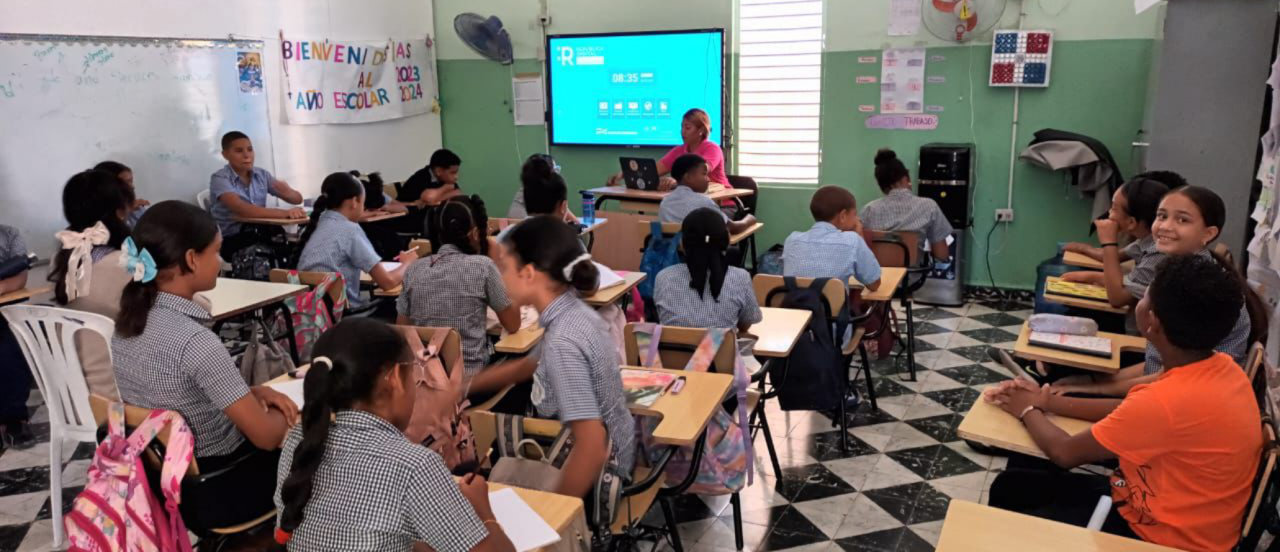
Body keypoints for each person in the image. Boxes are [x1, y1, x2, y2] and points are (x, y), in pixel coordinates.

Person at [984, 254, 1263, 551]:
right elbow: (1128, 411)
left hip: (1160, 538)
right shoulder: (1221, 367)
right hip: (1183, 519)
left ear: (1151, 320)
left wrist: (1027, 409)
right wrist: (1047, 402)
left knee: (1012, 494)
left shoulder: (1165, 401)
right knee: (1015, 484)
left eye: (1145, 296)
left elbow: (1065, 453)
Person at [112, 201, 299, 527]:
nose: (222, 262)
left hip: (167, 480)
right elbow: (267, 438)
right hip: (227, 486)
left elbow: (184, 395)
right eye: (216, 252)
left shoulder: (127, 325)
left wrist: (251, 391)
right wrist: (308, 412)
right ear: (191, 259)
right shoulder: (194, 341)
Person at [273, 318, 515, 552]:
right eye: (414, 372)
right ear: (395, 378)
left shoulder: (297, 442)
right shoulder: (414, 465)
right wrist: (484, 512)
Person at [470, 217, 634, 498]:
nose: (500, 276)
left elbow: (592, 446)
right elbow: (527, 365)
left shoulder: (563, 341)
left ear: (530, 274)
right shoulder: (571, 311)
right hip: (613, 446)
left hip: (602, 474)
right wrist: (462, 388)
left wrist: (554, 518)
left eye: (504, 267)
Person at [1052, 186, 1264, 397]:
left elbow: (1171, 379)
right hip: (1166, 388)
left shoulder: (1197, 288)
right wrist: (1096, 381)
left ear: (1208, 233)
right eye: (1161, 216)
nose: (1165, 226)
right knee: (1063, 378)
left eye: (1182, 220)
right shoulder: (1180, 271)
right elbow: (1158, 365)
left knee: (1055, 385)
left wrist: (1096, 389)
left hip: (1186, 399)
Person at [397, 195, 520, 378]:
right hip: (470, 384)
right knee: (524, 361)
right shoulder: (483, 267)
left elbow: (403, 330)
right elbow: (513, 324)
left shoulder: (415, 269)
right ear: (476, 233)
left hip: (426, 380)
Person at [48, 170, 135, 399]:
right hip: (122, 399)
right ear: (121, 210)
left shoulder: (60, 261)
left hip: (70, 395)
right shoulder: (125, 265)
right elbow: (190, 310)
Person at [297, 172, 417, 312]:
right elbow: (387, 283)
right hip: (344, 316)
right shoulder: (350, 230)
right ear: (354, 202)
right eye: (363, 203)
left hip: (313, 313)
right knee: (401, 309)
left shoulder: (321, 221)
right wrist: (409, 263)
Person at [1059, 175, 1171, 311]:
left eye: (1114, 208)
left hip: (1140, 330)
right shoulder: (1146, 240)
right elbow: (1115, 257)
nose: (1109, 213)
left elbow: (1118, 298)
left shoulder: (1158, 252)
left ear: (1131, 222)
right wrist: (1083, 249)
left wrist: (1108, 242)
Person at [655, 208, 762, 333]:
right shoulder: (740, 277)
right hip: (720, 351)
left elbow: (662, 316)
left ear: (682, 244)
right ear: (726, 242)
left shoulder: (663, 276)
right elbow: (746, 324)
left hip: (671, 352)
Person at [209, 131, 305, 256]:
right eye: (239, 151)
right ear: (225, 155)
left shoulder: (261, 175)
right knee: (276, 251)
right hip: (230, 239)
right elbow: (242, 209)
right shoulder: (220, 178)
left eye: (250, 149)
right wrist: (285, 214)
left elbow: (297, 199)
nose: (246, 155)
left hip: (258, 232)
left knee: (294, 248)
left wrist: (288, 193)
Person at [859, 148, 953, 261]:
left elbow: (860, 249)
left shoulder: (869, 210)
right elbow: (941, 254)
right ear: (905, 178)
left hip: (879, 276)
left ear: (881, 186)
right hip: (913, 276)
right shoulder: (929, 206)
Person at [784, 185, 882, 291]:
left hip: (793, 306)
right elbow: (874, 284)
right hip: (832, 307)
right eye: (854, 214)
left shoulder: (792, 240)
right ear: (843, 216)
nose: (857, 219)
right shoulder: (852, 241)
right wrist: (859, 235)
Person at [607, 108, 729, 192]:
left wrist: (675, 181)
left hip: (722, 203)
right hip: (692, 203)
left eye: (687, 127)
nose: (682, 131)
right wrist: (624, 174)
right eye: (681, 127)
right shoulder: (678, 151)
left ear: (701, 130)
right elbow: (652, 171)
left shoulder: (712, 148)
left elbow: (701, 171)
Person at [0, 224, 35, 449]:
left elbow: (20, 278)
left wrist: (1, 287)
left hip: (6, 311)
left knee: (10, 348)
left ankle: (15, 419)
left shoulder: (9, 234)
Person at [658, 154, 756, 234]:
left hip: (674, 255)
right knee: (733, 253)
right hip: (699, 256)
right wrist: (749, 219)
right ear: (688, 177)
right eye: (704, 174)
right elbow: (731, 228)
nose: (708, 179)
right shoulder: (704, 203)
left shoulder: (665, 203)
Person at [399, 149, 465, 241]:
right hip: (410, 224)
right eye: (453, 173)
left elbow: (458, 193)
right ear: (438, 171)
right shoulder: (421, 177)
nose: (456, 177)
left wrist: (437, 196)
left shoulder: (445, 180)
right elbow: (428, 198)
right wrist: (446, 188)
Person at [94, 160, 150, 227]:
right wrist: (125, 211)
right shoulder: (95, 216)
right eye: (125, 183)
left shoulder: (136, 209)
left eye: (131, 181)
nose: (132, 187)